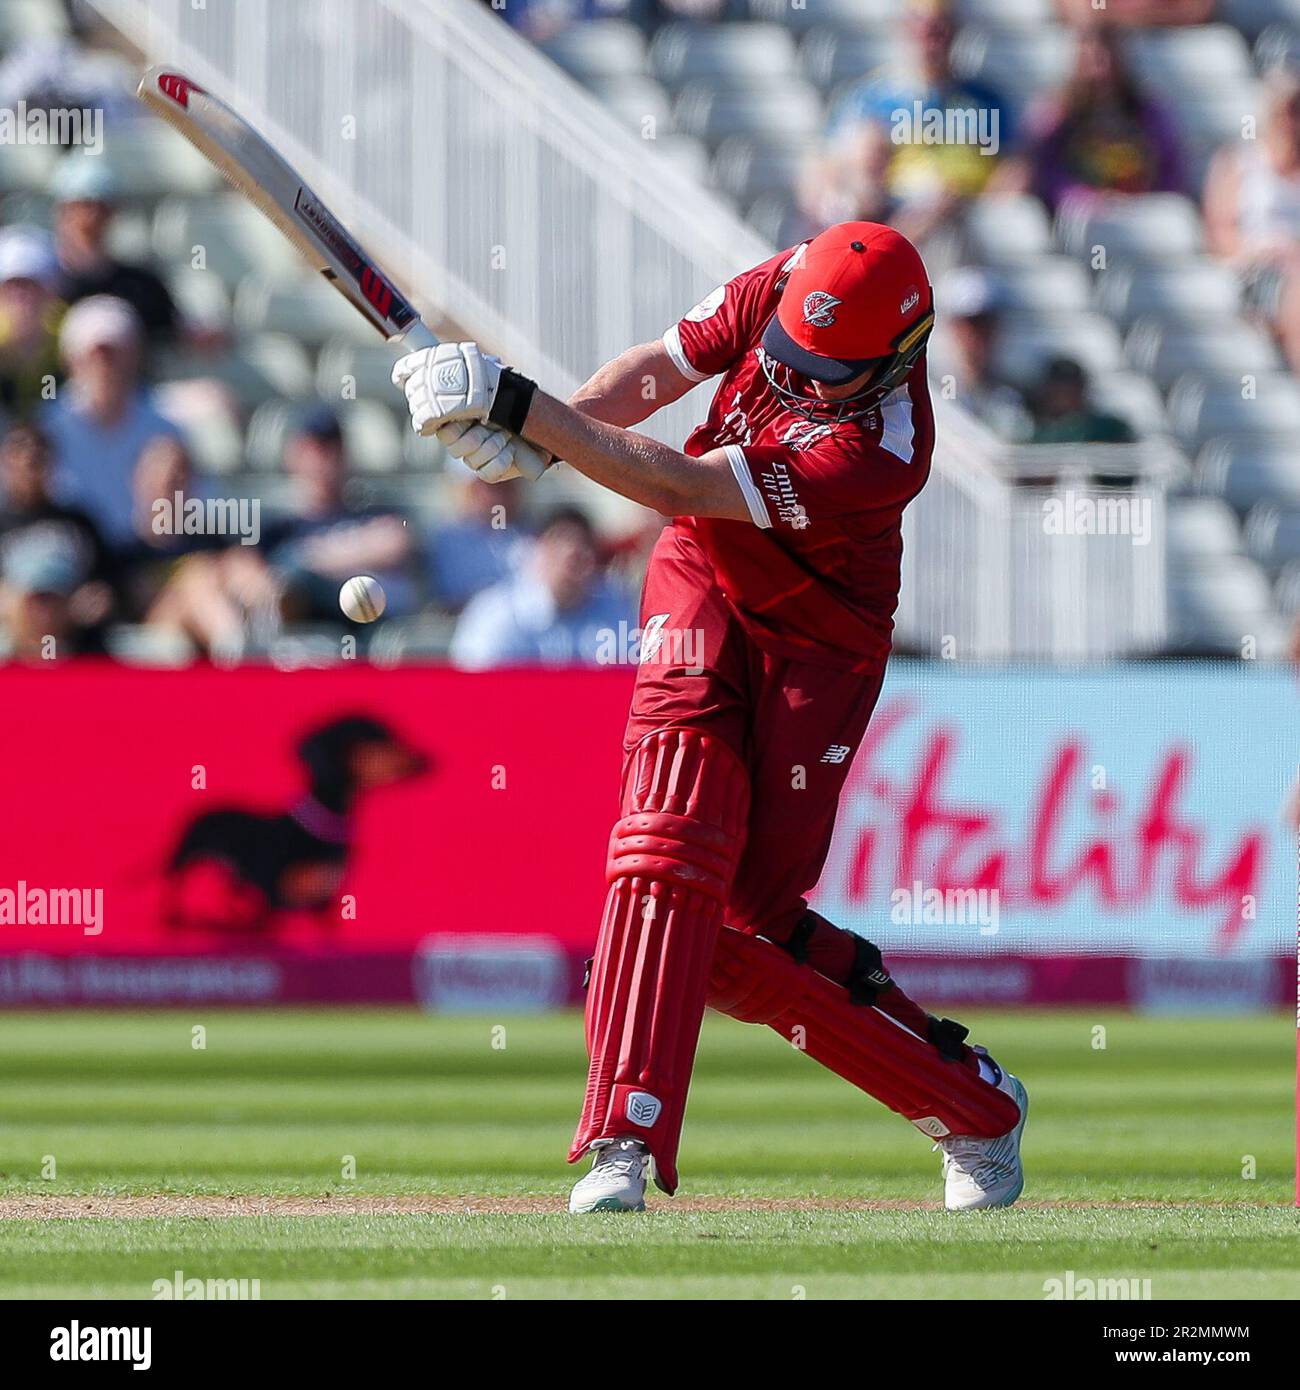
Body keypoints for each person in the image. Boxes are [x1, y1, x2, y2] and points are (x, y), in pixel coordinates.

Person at [392, 221, 1028, 1212]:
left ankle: (971, 1105)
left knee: (747, 935)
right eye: (787, 357)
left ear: (894, 361)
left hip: (815, 650)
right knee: (659, 840)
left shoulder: (878, 450)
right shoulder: (787, 282)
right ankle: (621, 1139)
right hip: (700, 574)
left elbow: (673, 479)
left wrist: (520, 405)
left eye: (821, 373)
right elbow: (657, 372)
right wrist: (529, 444)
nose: (793, 378)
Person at [827, 0, 1013, 211]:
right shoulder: (869, 98)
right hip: (889, 208)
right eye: (919, 24)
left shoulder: (986, 101)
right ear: (904, 28)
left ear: (954, 30)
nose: (928, 36)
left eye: (938, 27)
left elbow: (1011, 167)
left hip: (965, 212)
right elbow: (831, 165)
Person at [43, 295, 183, 547]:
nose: (104, 366)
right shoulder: (44, 428)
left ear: (136, 356)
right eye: (94, 355)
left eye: (114, 354)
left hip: (145, 559)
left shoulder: (165, 428)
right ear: (70, 360)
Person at [1012, 23, 1184, 214]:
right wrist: (1088, 199)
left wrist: (1136, 203)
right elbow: (1047, 175)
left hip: (1141, 219)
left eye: (1108, 59)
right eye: (1092, 61)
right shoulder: (1058, 114)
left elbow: (1169, 173)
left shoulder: (1150, 113)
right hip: (1078, 221)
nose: (1101, 71)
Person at [449, 504, 633, 668]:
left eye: (584, 544)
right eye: (560, 540)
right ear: (537, 549)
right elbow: (474, 688)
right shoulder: (495, 613)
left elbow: (630, 680)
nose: (573, 551)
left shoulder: (615, 609)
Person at [1204, 71, 1300, 375]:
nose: (1294, 121)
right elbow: (1221, 236)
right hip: (1256, 271)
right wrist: (1267, 249)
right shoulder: (1240, 162)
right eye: (1290, 110)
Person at [51, 156, 179, 342]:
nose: (92, 217)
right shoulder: (44, 286)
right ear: (61, 212)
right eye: (82, 206)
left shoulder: (143, 288)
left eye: (102, 207)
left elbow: (167, 335)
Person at [930, 267, 1032, 438]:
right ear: (951, 326)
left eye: (988, 323)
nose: (980, 334)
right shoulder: (929, 389)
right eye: (971, 323)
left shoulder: (1011, 395)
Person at [0, 226, 64, 423]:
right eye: (12, 286)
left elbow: (50, 394)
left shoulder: (68, 337)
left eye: (31, 285)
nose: (22, 296)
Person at [1028, 356, 1135, 445]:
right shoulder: (1030, 429)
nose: (1064, 396)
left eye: (1071, 389)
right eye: (1059, 389)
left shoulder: (1110, 428)